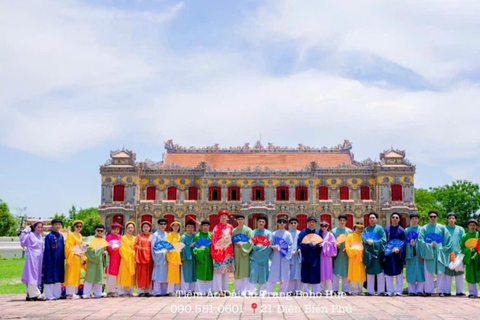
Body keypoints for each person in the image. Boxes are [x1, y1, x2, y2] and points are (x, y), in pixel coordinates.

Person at [418, 210, 452, 296]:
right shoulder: (424, 228)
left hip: (439, 252)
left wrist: (443, 249)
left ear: (437, 217)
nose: (433, 218)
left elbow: (448, 239)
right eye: (431, 217)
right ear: (429, 217)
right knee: (428, 272)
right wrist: (429, 245)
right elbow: (420, 240)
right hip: (429, 252)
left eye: (434, 216)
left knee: (441, 272)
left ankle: (441, 291)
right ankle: (428, 291)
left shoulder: (442, 228)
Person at [210, 210, 234, 297]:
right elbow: (214, 240)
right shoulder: (216, 228)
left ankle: (225, 289)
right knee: (219, 272)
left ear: (227, 217)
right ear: (219, 217)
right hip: (219, 251)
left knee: (226, 271)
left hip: (228, 251)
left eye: (225, 216)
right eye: (222, 216)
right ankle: (218, 290)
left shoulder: (230, 227)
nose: (224, 217)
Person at [20, 220, 45, 301]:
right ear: (34, 227)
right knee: (32, 274)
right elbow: (23, 241)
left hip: (39, 258)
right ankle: (35, 294)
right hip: (32, 257)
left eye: (41, 227)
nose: (39, 229)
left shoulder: (40, 236)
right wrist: (27, 229)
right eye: (38, 227)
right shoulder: (30, 235)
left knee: (37, 274)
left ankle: (29, 293)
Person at [266, 217, 293, 294]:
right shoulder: (274, 234)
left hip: (284, 257)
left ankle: (282, 291)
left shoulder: (288, 234)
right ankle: (269, 291)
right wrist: (273, 247)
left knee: (285, 275)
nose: (281, 223)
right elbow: (270, 244)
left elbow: (290, 245)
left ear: (285, 224)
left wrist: (284, 251)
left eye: (283, 222)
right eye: (280, 222)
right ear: (277, 223)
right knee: (273, 274)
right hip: (276, 256)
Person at [362, 212, 386, 296]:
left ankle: (381, 290)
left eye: (373, 218)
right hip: (369, 254)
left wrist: (374, 242)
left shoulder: (380, 229)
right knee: (369, 272)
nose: (372, 219)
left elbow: (383, 240)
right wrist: (367, 242)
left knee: (380, 273)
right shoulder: (366, 229)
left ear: (376, 219)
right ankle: (370, 291)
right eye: (370, 218)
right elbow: (363, 240)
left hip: (378, 253)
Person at [248, 215, 272, 294]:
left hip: (264, 257)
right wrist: (256, 248)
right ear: (257, 222)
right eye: (259, 221)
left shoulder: (268, 233)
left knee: (263, 274)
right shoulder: (253, 232)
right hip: (254, 257)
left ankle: (262, 290)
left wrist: (258, 248)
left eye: (263, 222)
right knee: (253, 273)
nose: (261, 223)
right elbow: (250, 244)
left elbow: (269, 245)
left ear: (265, 223)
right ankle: (252, 290)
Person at [298, 216, 322, 294]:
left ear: (315, 223)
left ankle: (316, 291)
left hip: (316, 256)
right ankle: (306, 291)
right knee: (306, 273)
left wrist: (317, 245)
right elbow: (300, 245)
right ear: (307, 223)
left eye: (313, 222)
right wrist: (309, 245)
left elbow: (321, 243)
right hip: (306, 256)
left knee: (315, 273)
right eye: (310, 222)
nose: (311, 223)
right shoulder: (303, 232)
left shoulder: (318, 232)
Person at [384, 212, 406, 296]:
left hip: (398, 254)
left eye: (397, 217)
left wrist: (399, 248)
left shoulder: (401, 230)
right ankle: (389, 290)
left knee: (398, 272)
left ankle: (398, 290)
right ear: (391, 218)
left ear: (399, 219)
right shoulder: (386, 229)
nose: (395, 219)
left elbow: (404, 241)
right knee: (388, 272)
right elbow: (384, 241)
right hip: (388, 254)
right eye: (393, 217)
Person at [83, 224, 108, 299]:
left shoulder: (103, 240)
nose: (100, 232)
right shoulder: (91, 238)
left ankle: (98, 293)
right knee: (90, 277)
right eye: (98, 231)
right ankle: (86, 294)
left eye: (101, 231)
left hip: (100, 261)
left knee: (99, 278)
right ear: (95, 231)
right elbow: (87, 248)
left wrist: (104, 253)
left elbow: (105, 251)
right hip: (92, 261)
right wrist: (99, 250)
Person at [43, 218, 65, 300]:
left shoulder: (61, 236)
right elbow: (48, 249)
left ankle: (57, 294)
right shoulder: (49, 236)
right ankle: (49, 295)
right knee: (50, 276)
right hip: (51, 259)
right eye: (56, 224)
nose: (58, 226)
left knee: (58, 276)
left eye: (59, 224)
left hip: (59, 260)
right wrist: (50, 260)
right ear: (52, 225)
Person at [443, 212, 465, 296]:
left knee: (459, 273)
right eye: (449, 218)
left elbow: (463, 242)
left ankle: (460, 291)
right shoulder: (444, 229)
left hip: (458, 255)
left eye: (453, 218)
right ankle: (446, 291)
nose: (451, 220)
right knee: (447, 273)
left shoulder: (460, 229)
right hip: (447, 254)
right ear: (447, 219)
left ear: (455, 219)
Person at [232, 214, 253, 295]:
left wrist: (241, 244)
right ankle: (237, 290)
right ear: (236, 221)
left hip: (245, 253)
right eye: (238, 219)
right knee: (237, 271)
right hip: (236, 252)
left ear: (243, 220)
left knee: (244, 271)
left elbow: (251, 241)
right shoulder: (234, 231)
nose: (240, 221)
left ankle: (244, 290)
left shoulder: (248, 230)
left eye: (241, 219)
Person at [405, 213, 425, 296]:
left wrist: (423, 254)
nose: (414, 220)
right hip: (410, 254)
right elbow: (404, 242)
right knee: (410, 271)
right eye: (412, 218)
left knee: (420, 271)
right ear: (410, 220)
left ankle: (420, 290)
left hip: (419, 253)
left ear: (418, 219)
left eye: (416, 218)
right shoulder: (406, 230)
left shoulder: (422, 230)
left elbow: (424, 243)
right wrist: (409, 244)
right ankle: (411, 290)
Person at [64, 220, 85, 299]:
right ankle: (69, 293)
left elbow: (81, 246)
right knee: (71, 275)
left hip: (78, 258)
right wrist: (75, 253)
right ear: (74, 227)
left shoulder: (80, 235)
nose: (79, 228)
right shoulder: (71, 235)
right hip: (72, 257)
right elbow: (68, 247)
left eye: (80, 226)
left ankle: (74, 292)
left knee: (76, 275)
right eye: (77, 226)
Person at [332, 214, 352, 295]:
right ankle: (334, 290)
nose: (342, 222)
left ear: (346, 221)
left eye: (344, 220)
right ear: (338, 221)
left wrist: (348, 248)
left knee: (346, 272)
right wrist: (335, 245)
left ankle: (346, 290)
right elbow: (331, 242)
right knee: (336, 271)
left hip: (346, 254)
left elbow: (351, 243)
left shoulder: (349, 231)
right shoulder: (334, 231)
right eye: (341, 220)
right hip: (337, 253)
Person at [193, 220, 214, 295]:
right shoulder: (197, 236)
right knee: (200, 274)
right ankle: (200, 291)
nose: (205, 227)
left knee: (209, 274)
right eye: (204, 225)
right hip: (200, 258)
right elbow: (194, 248)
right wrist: (200, 251)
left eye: (207, 226)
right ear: (201, 226)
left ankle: (209, 291)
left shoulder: (211, 235)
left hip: (209, 258)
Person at [461, 219, 480, 298]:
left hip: (478, 258)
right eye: (470, 225)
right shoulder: (464, 236)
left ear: (476, 226)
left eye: (474, 225)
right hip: (469, 259)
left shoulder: (478, 235)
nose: (472, 227)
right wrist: (469, 250)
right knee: (470, 275)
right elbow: (462, 248)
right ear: (468, 226)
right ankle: (472, 292)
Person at [345, 223, 366, 295]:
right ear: (354, 228)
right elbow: (347, 247)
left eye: (361, 228)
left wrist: (362, 251)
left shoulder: (362, 237)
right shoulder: (350, 236)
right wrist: (356, 251)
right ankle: (354, 290)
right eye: (358, 228)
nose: (359, 230)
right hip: (353, 258)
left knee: (361, 274)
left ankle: (360, 290)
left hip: (361, 258)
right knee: (354, 273)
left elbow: (365, 247)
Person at [117, 221, 136, 297]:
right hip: (125, 259)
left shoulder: (135, 238)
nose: (130, 229)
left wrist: (133, 253)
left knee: (131, 275)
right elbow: (122, 249)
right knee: (124, 274)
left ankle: (129, 291)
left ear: (134, 229)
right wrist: (130, 253)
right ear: (126, 229)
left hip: (132, 259)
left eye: (131, 227)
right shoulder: (123, 238)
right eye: (129, 228)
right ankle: (122, 291)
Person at [135, 221, 153, 297]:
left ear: (150, 228)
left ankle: (148, 290)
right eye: (144, 227)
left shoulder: (152, 237)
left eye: (147, 227)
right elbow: (135, 246)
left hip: (149, 257)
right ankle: (140, 290)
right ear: (142, 228)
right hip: (141, 257)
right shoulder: (139, 236)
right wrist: (142, 249)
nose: (146, 228)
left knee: (149, 273)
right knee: (141, 273)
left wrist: (148, 250)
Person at [151, 218, 168, 297]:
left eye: (164, 224)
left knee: (165, 274)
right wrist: (160, 252)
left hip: (165, 257)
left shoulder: (166, 234)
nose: (163, 225)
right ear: (158, 225)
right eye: (161, 224)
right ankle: (157, 291)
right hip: (159, 257)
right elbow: (153, 247)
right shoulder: (155, 234)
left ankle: (164, 291)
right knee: (157, 274)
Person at [319, 221, 337, 292]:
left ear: (328, 227)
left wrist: (325, 243)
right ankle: (321, 289)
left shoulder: (330, 235)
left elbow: (333, 244)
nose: (324, 227)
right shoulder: (319, 234)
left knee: (328, 272)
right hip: (320, 256)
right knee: (321, 272)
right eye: (322, 226)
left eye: (325, 226)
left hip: (327, 256)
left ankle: (328, 289)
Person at [180, 221, 197, 294]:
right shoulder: (183, 237)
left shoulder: (195, 236)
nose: (190, 229)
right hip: (186, 258)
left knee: (193, 273)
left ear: (194, 228)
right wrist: (189, 246)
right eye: (188, 227)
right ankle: (184, 290)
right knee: (185, 274)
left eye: (192, 227)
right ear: (185, 228)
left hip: (194, 258)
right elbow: (180, 248)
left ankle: (192, 290)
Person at [106, 223, 122, 297]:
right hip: (112, 257)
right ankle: (110, 290)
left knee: (118, 273)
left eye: (117, 229)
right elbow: (107, 246)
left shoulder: (120, 237)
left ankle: (116, 289)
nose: (116, 231)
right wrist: (112, 249)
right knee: (111, 274)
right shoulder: (109, 237)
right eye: (114, 229)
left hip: (119, 257)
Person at [287, 217, 302, 295]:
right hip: (289, 256)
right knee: (290, 273)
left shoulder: (300, 233)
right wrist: (290, 251)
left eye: (295, 223)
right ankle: (290, 290)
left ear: (297, 224)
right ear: (289, 224)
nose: (293, 224)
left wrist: (298, 250)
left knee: (298, 273)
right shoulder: (287, 233)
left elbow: (302, 244)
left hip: (298, 255)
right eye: (292, 223)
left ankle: (298, 290)